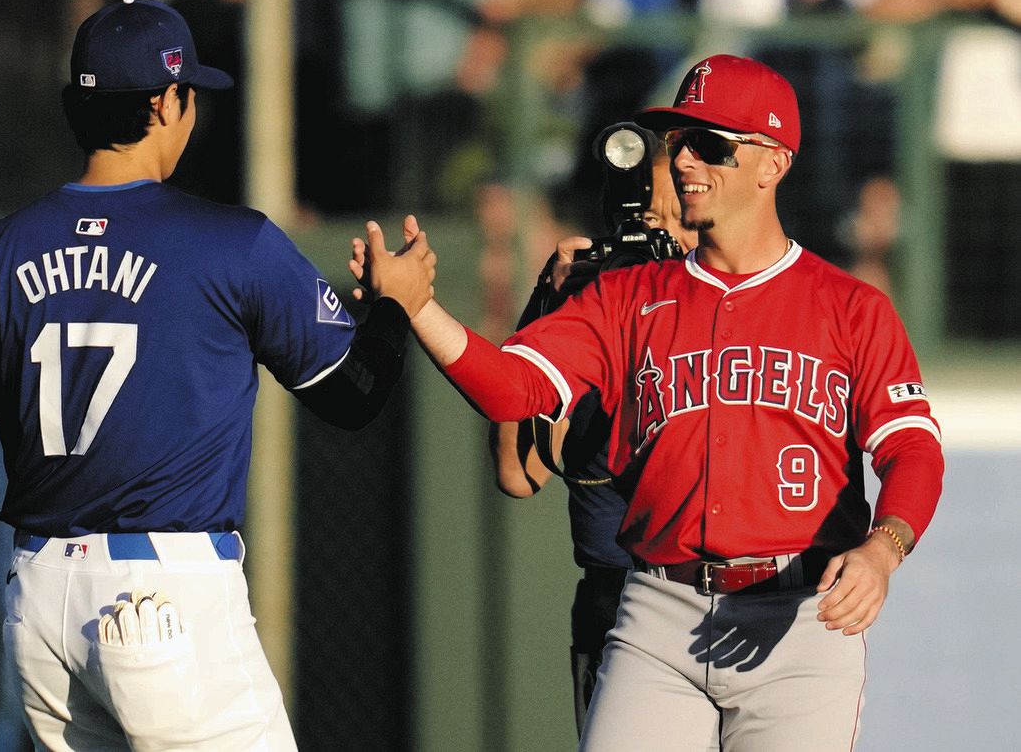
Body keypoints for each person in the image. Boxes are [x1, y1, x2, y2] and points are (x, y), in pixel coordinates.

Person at [0, 0, 431, 752]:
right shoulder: (231, 245)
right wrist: (396, 310)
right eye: (188, 94)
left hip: (40, 601)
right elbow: (352, 396)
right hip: (165, 594)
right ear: (165, 102)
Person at [354, 54, 943, 750]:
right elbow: (513, 389)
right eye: (679, 142)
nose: (685, 160)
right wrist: (419, 309)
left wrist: (884, 548)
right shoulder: (625, 295)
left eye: (711, 144)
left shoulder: (851, 307)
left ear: (772, 163)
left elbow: (912, 447)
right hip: (659, 611)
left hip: (802, 618)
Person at [489, 143, 699, 737]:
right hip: (613, 609)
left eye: (674, 221)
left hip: (710, 611)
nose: (657, 239)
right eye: (644, 222)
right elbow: (516, 470)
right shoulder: (588, 324)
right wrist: (547, 304)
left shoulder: (722, 324)